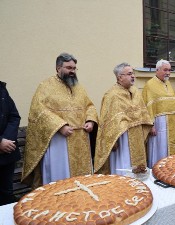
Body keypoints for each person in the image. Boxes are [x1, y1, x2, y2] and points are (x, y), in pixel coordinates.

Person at [22, 53, 98, 188]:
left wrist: (90, 120)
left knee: (82, 180)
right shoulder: (45, 86)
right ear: (58, 68)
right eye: (69, 68)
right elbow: (39, 111)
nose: (72, 71)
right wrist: (60, 126)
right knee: (60, 176)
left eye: (74, 68)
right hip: (59, 140)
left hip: (80, 140)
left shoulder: (78, 87)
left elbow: (89, 106)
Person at [94, 63, 152, 174]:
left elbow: (143, 112)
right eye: (129, 74)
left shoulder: (135, 91)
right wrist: (112, 141)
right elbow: (107, 122)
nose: (133, 76)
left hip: (137, 135)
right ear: (120, 77)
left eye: (133, 73)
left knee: (138, 168)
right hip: (122, 139)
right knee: (125, 166)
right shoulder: (112, 95)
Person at [142, 60, 175, 168]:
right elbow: (146, 106)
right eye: (165, 70)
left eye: (169, 70)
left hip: (171, 124)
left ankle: (168, 169)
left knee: (168, 150)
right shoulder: (150, 84)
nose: (168, 72)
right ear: (157, 70)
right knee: (159, 148)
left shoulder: (168, 83)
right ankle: (157, 169)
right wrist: (151, 125)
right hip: (159, 124)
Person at [0, 81, 21, 205]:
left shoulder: (2, 89)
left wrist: (6, 141)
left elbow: (14, 117)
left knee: (7, 193)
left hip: (7, 153)